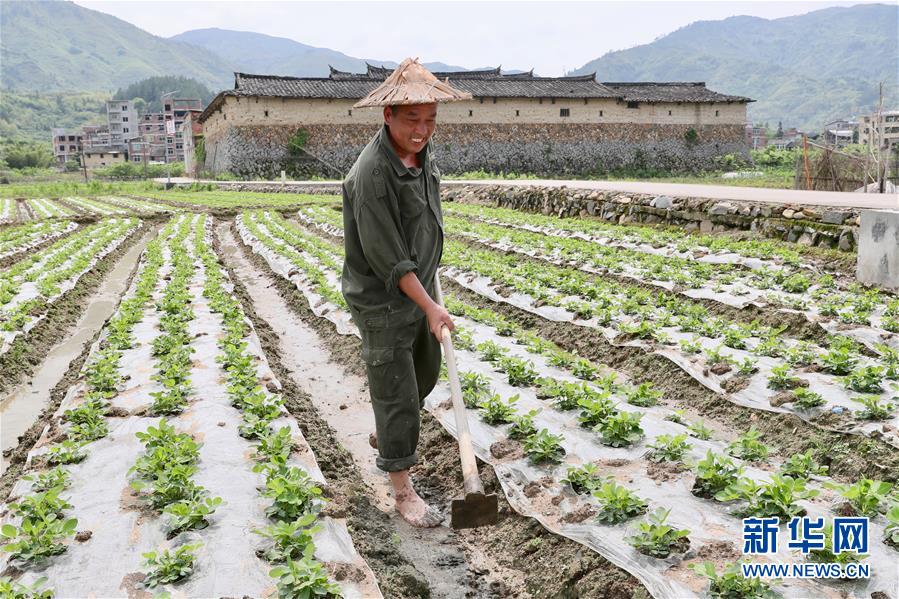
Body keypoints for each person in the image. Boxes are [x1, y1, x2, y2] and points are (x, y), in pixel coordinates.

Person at [341, 59, 472, 527]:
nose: (422, 130)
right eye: (412, 119)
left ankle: (390, 430)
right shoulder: (372, 177)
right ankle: (403, 492)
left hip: (418, 290)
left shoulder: (420, 156)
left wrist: (430, 296)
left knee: (423, 370)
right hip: (383, 298)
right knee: (396, 390)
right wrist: (431, 306)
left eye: (431, 119)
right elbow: (390, 261)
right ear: (388, 117)